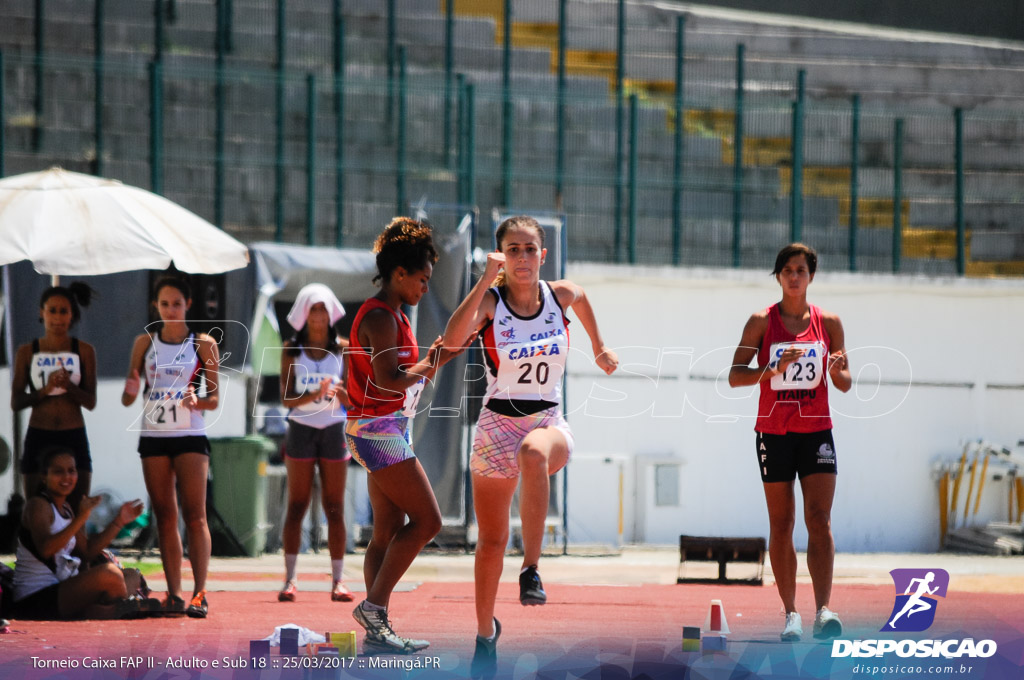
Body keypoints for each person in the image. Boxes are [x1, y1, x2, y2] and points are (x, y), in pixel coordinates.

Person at [442, 215, 619, 677]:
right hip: (497, 424)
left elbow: (581, 297)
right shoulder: (491, 303)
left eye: (530, 249)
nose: (523, 257)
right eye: (513, 250)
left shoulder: (559, 295)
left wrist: (600, 346)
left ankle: (532, 569)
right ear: (502, 257)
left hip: (546, 419)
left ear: (543, 254)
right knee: (491, 542)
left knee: (534, 453)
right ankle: (484, 635)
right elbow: (455, 339)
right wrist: (483, 280)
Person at [345, 217, 464, 654]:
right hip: (377, 432)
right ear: (399, 274)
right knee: (429, 521)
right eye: (422, 280)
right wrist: (435, 360)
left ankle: (378, 626)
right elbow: (389, 380)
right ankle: (374, 608)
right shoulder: (380, 318)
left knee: (387, 529)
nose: (425, 289)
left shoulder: (393, 314)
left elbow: (401, 378)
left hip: (381, 429)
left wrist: (436, 358)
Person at [727, 243, 851, 642]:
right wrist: (772, 368)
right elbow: (734, 375)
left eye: (801, 270)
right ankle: (791, 613)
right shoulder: (761, 322)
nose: (794, 276)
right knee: (782, 523)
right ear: (778, 276)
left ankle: (825, 610)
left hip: (817, 431)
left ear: (811, 276)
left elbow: (846, 383)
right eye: (787, 270)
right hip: (774, 431)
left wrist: (836, 369)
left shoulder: (828, 323)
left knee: (820, 519)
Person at [121, 276, 220, 618]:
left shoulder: (202, 343)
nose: (171, 310)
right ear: (156, 306)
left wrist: (198, 400)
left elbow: (214, 399)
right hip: (154, 437)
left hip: (190, 435)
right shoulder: (143, 343)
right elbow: (128, 397)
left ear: (188, 304)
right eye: (164, 304)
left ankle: (199, 593)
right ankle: (175, 593)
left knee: (195, 515)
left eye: (176, 304)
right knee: (165, 515)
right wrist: (131, 387)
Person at [277, 283, 355, 603]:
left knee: (334, 507)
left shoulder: (345, 349)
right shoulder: (290, 350)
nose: (318, 316)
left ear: (331, 313)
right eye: (312, 309)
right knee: (297, 505)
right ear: (303, 314)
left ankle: (338, 581)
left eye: (323, 309)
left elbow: (355, 395)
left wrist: (339, 394)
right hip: (301, 428)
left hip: (335, 428)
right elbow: (285, 397)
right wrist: (314, 394)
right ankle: (290, 579)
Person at [12, 446, 150, 620]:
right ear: (43, 476)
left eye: (71, 470)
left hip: (63, 591)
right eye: (58, 472)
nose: (66, 477)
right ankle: (121, 608)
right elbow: (46, 549)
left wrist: (119, 521)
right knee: (110, 574)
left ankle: (110, 609)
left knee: (131, 575)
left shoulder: (67, 509)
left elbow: (88, 552)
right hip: (36, 599)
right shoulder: (38, 505)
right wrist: (81, 517)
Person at [11, 283, 98, 509]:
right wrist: (44, 391)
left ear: (72, 315)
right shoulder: (27, 351)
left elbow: (91, 402)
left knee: (78, 506)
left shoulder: (84, 350)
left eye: (63, 311)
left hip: (73, 434)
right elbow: (16, 402)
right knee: (35, 507)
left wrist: (69, 387)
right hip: (40, 433)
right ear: (42, 312)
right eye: (52, 311)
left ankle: (76, 545)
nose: (58, 318)